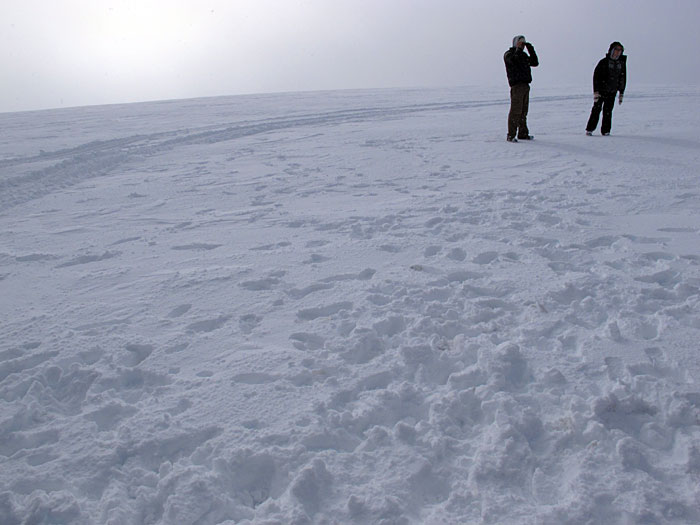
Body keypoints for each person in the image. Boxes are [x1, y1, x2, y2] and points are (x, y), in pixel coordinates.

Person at [586, 42, 626, 136]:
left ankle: (606, 131)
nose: (617, 52)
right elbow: (596, 77)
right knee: (596, 109)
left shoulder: (621, 64)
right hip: (601, 91)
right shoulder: (604, 62)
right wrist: (596, 92)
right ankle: (590, 129)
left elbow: (622, 78)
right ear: (611, 50)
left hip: (612, 92)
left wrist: (621, 92)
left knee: (608, 111)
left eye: (619, 50)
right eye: (616, 50)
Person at [504, 35, 539, 142]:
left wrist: (530, 48)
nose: (522, 45)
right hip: (516, 85)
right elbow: (514, 60)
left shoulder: (523, 55)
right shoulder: (509, 54)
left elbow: (534, 62)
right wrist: (518, 49)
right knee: (516, 111)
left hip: (525, 85)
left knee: (524, 111)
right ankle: (511, 135)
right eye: (520, 42)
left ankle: (523, 133)